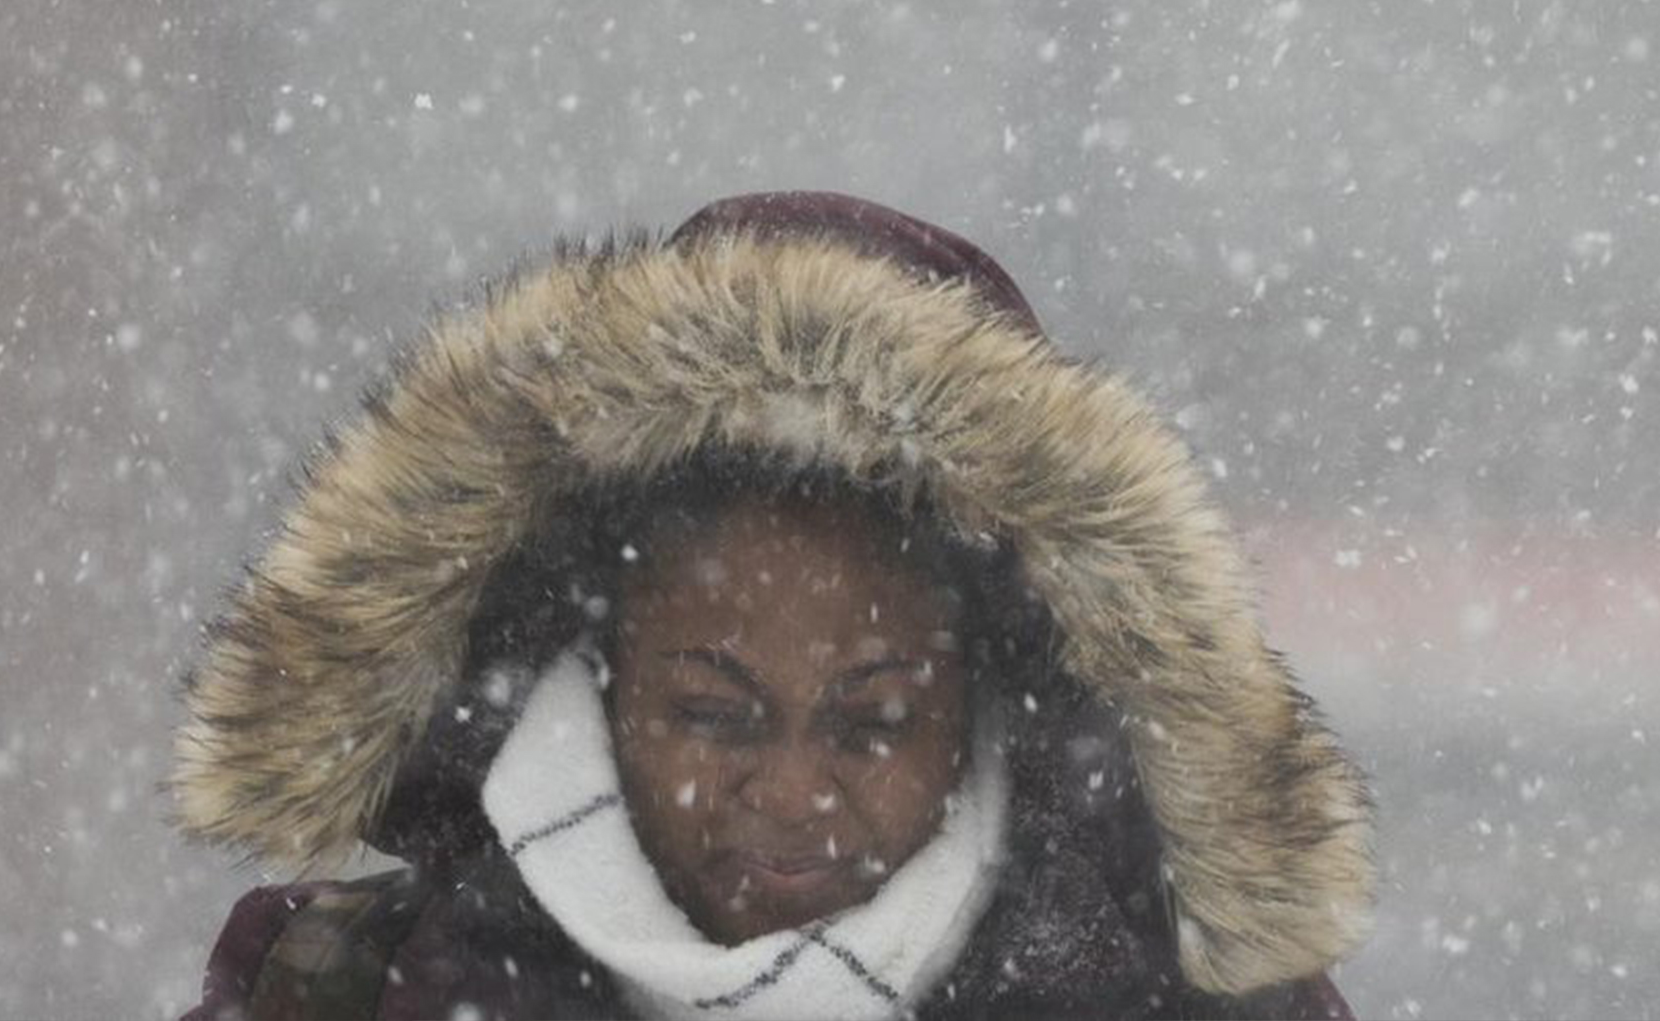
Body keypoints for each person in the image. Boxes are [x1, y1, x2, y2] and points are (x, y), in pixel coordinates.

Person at [170, 191, 1375, 1020]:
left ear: (987, 709)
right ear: (595, 681)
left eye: (874, 721)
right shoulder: (327, 990)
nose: (793, 796)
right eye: (714, 712)